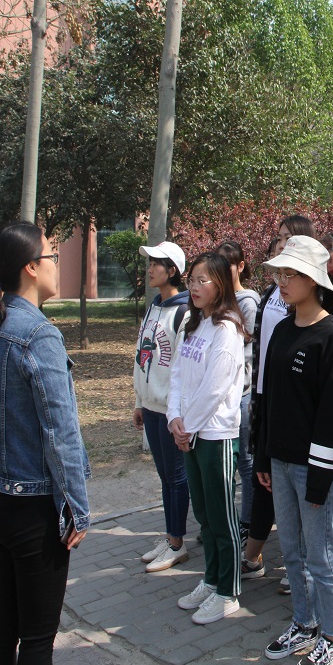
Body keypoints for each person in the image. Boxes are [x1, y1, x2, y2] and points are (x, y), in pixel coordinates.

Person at [0, 222, 90, 665]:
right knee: (37, 639)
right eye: (52, 256)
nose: (55, 264)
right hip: (36, 510)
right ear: (32, 267)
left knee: (4, 622)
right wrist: (77, 507)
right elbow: (60, 433)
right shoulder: (38, 335)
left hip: (0, 500)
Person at [257, 236, 333, 665]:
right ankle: (304, 621)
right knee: (291, 551)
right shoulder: (280, 329)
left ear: (314, 280)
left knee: (321, 554)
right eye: (279, 273)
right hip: (279, 461)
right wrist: (263, 456)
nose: (282, 281)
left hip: (314, 468)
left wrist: (319, 477)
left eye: (290, 274)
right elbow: (268, 398)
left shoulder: (331, 337)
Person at [170, 253, 247, 625]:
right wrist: (174, 417)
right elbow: (177, 375)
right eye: (192, 280)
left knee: (221, 515)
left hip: (214, 434)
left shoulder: (226, 329)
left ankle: (228, 591)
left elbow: (215, 388)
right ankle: (212, 579)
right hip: (189, 433)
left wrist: (188, 427)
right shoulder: (193, 322)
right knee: (202, 513)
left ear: (221, 284)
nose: (195, 287)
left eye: (203, 280)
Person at [244, 216, 318, 591]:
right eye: (280, 237)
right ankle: (262, 556)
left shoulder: (309, 302)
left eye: (289, 237)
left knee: (300, 490)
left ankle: (303, 566)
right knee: (267, 477)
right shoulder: (275, 293)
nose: (282, 242)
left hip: (297, 406)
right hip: (266, 393)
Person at [133, 241, 192, 572]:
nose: (150, 268)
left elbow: (181, 369)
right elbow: (142, 357)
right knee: (165, 476)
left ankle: (177, 542)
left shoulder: (184, 313)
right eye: (150, 262)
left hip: (170, 411)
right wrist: (139, 401)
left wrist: (175, 412)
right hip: (151, 407)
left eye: (156, 263)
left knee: (176, 476)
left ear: (172, 271)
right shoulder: (153, 308)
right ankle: (171, 535)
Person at [216, 240, 262, 543]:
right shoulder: (218, 299)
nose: (221, 269)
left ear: (240, 266)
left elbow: (244, 346)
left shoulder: (247, 301)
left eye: (227, 263)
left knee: (245, 463)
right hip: (221, 395)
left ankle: (247, 523)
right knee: (227, 465)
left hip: (242, 392)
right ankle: (229, 522)